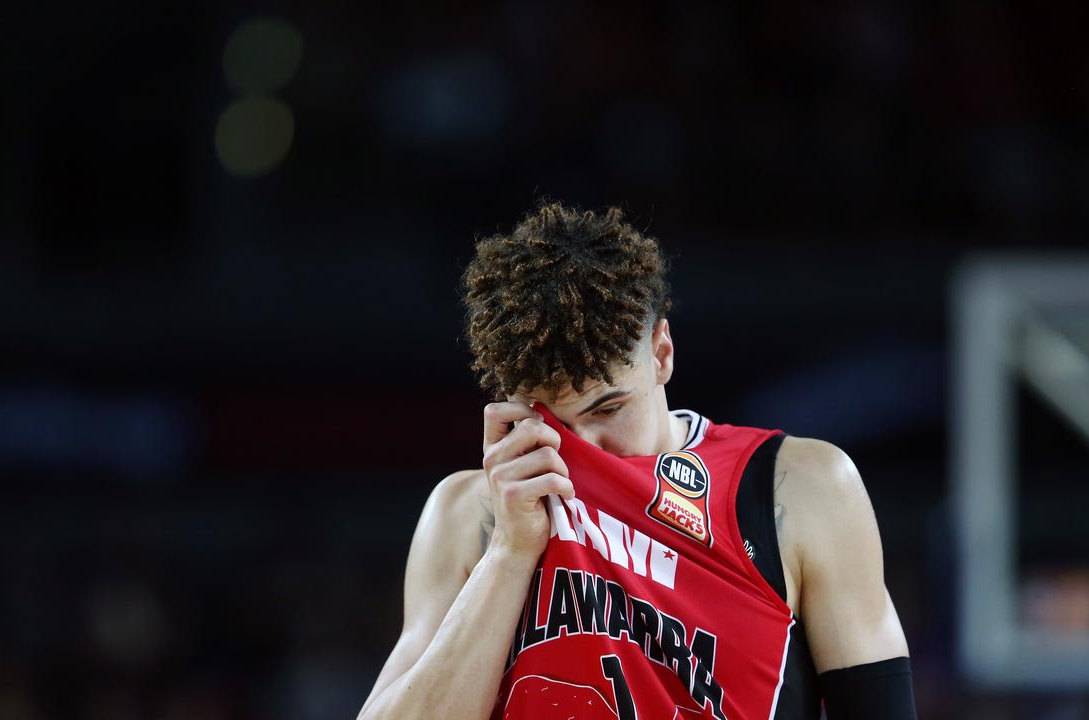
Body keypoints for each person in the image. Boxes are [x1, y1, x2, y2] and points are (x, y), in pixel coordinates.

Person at [357, 202, 916, 720]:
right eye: (554, 424)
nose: (585, 451)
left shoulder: (797, 486)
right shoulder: (468, 511)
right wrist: (508, 553)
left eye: (609, 408)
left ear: (661, 353)